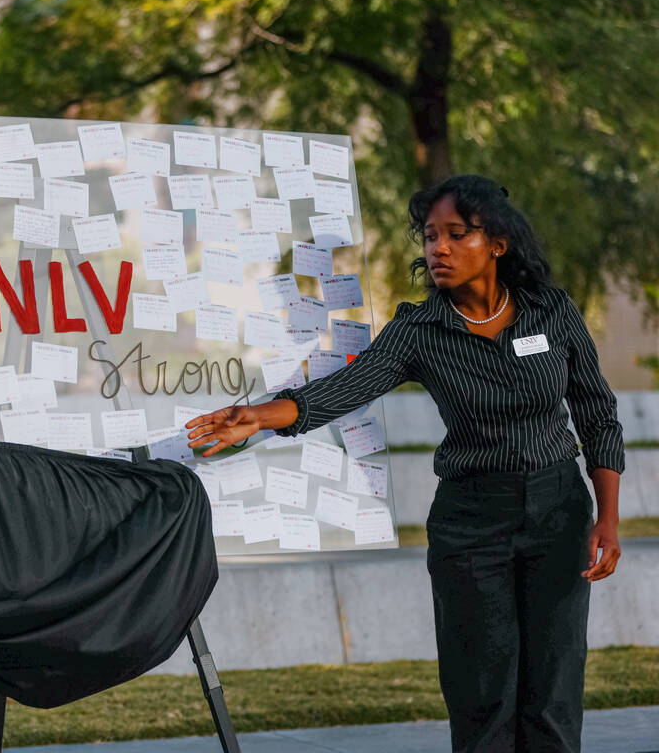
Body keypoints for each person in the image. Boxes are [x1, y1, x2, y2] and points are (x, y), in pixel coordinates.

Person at [186, 174, 623, 753]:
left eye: (455, 234)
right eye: (429, 236)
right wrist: (260, 416)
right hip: (472, 525)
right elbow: (347, 387)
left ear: (497, 243)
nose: (437, 248)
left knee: (553, 695)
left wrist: (608, 516)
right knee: (483, 696)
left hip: (559, 513)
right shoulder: (419, 330)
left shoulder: (552, 311)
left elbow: (597, 412)